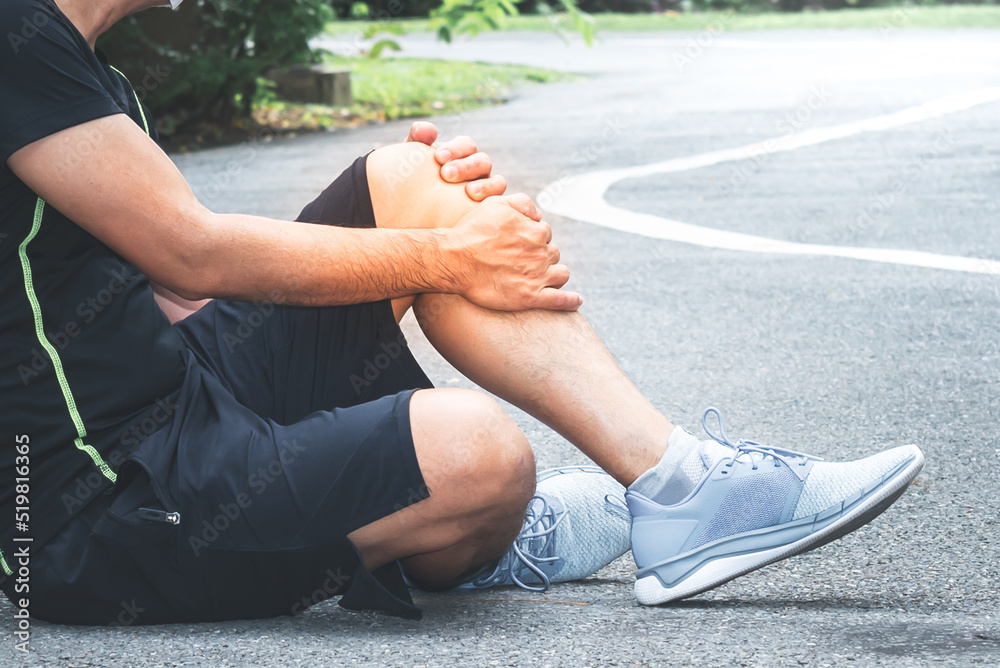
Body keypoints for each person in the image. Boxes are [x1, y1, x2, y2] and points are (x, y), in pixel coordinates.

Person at [0, 0, 924, 625]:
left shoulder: (83, 71)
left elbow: (176, 290)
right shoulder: (17, 35)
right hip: (94, 507)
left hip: (184, 394)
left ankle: (683, 484)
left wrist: (444, 230)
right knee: (476, 454)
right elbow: (192, 250)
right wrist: (450, 256)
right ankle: (466, 535)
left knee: (409, 179)